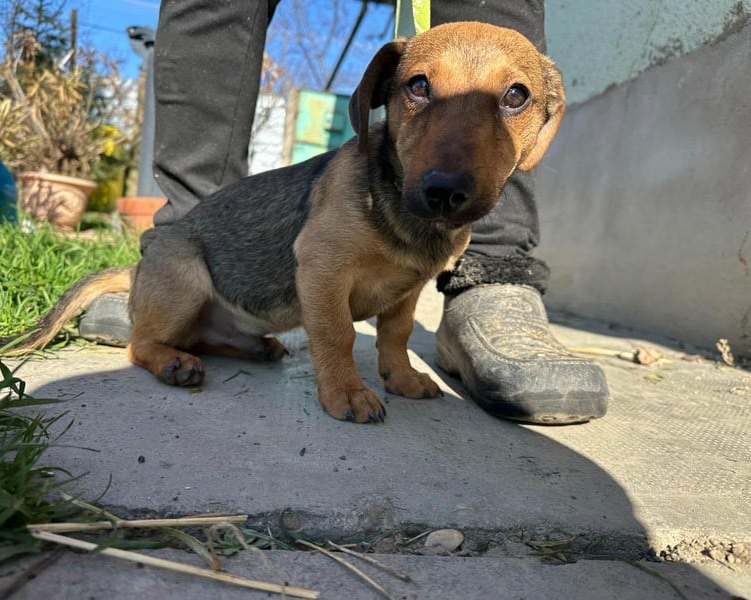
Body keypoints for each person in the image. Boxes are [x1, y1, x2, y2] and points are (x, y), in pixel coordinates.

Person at [141, 0, 610, 424]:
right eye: (421, 88)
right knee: (179, 256)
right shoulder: (352, 189)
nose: (451, 167)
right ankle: (149, 340)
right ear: (378, 97)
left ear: (546, 119)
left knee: (418, 264)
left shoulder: (460, 223)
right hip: (208, 268)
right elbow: (320, 265)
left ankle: (399, 347)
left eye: (513, 97)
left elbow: (407, 283)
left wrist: (395, 357)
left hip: (254, 316)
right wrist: (338, 370)